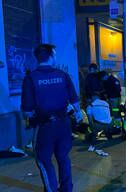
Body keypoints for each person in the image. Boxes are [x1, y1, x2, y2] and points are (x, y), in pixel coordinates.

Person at [21, 44, 82, 192]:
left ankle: (51, 190)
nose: (55, 57)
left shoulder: (31, 78)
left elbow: (27, 110)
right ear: (50, 56)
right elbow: (74, 100)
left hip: (45, 127)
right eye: (54, 54)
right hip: (64, 124)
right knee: (63, 156)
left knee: (43, 160)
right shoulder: (63, 76)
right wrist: (78, 113)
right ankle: (67, 188)